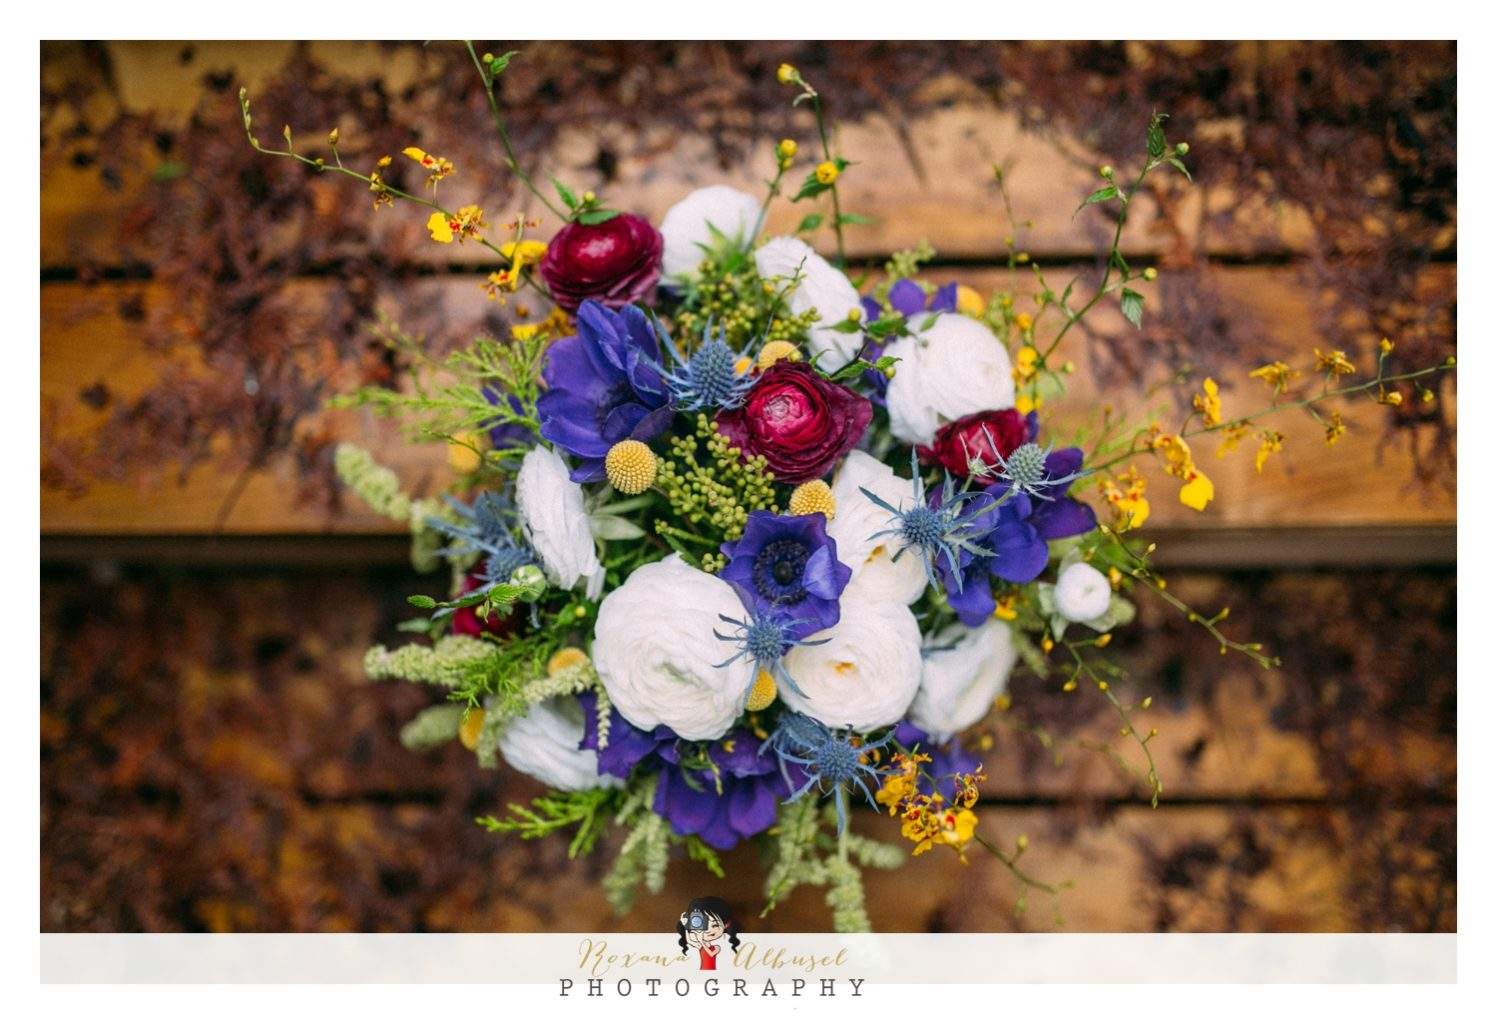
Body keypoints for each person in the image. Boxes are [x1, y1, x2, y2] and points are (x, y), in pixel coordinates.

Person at [676, 897, 741, 970]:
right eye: (703, 925)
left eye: (715, 925)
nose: (708, 930)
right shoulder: (700, 944)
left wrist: (701, 941)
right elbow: (689, 940)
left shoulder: (718, 946)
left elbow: (711, 954)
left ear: (726, 925)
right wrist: (685, 926)